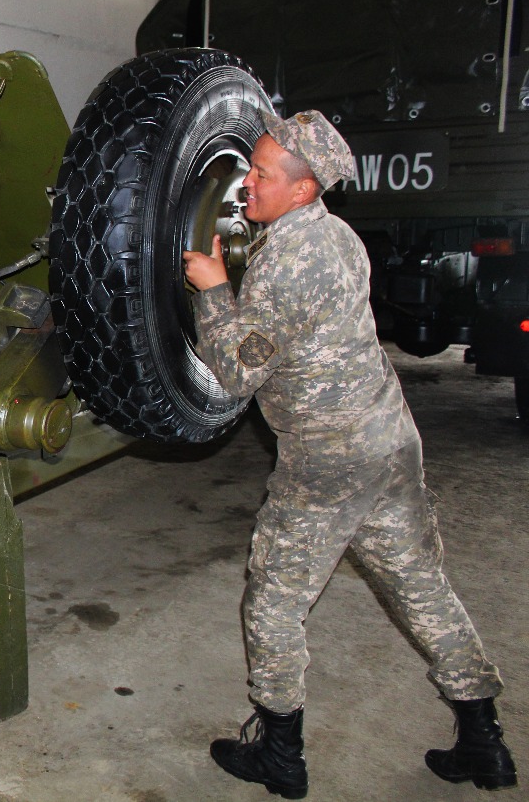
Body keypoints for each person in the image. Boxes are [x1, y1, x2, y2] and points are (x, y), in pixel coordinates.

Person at [182, 110, 517, 798]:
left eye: (265, 176)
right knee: (422, 588)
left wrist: (213, 290)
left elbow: (241, 371)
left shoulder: (288, 263)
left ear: (303, 190)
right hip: (388, 440)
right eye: (252, 169)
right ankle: (486, 741)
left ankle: (280, 754)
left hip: (327, 460)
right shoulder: (341, 238)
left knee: (272, 605)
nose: (248, 184)